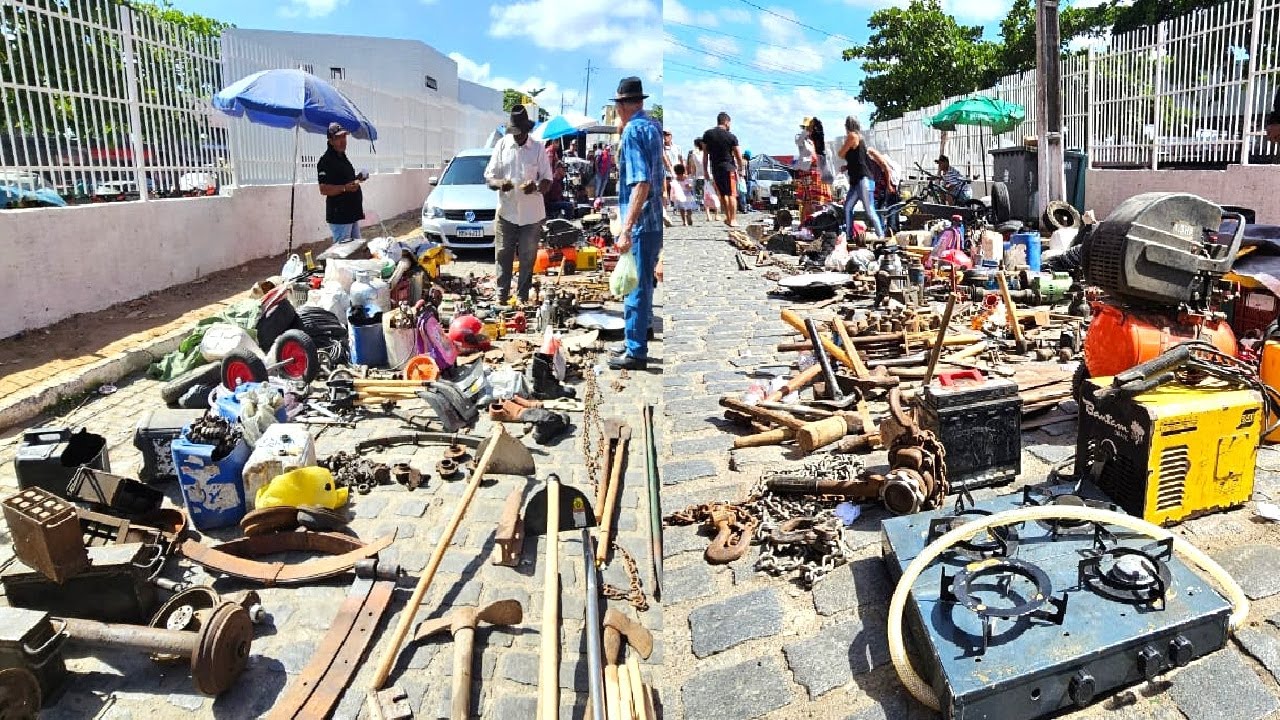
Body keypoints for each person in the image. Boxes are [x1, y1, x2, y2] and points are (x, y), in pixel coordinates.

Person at [610, 76, 663, 371]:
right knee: (643, 282)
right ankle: (639, 333)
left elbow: (640, 183)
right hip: (654, 218)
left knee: (635, 286)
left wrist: (627, 228)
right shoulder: (652, 126)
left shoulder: (633, 131)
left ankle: (636, 351)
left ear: (623, 105)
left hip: (642, 221)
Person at [484, 105, 552, 306]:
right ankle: (501, 295)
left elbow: (548, 179)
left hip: (531, 215)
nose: (515, 136)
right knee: (503, 253)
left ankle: (522, 296)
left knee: (527, 256)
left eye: (518, 133)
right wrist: (499, 184)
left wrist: (537, 186)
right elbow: (489, 177)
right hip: (506, 211)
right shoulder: (502, 145)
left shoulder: (538, 148)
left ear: (526, 131)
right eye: (512, 132)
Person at [316, 122, 366, 243]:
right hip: (340, 217)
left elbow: (344, 179)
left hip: (351, 213)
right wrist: (345, 188)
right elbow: (323, 189)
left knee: (356, 251)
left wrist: (357, 177)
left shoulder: (342, 158)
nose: (342, 141)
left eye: (344, 137)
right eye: (338, 138)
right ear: (330, 141)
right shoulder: (325, 161)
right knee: (342, 255)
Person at [838, 116, 884, 238]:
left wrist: (844, 150)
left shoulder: (852, 136)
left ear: (847, 126)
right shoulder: (860, 139)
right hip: (856, 180)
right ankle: (848, 236)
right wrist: (847, 167)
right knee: (847, 207)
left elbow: (840, 154)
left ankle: (881, 237)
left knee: (869, 211)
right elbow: (859, 160)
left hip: (863, 180)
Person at [702, 112, 744, 228]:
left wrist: (705, 170)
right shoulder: (731, 136)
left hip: (715, 168)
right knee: (732, 194)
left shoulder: (707, 135)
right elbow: (738, 154)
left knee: (723, 194)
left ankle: (728, 217)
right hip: (729, 168)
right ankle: (733, 219)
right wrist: (741, 168)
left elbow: (705, 155)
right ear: (726, 122)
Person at [794, 118, 832, 223]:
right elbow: (799, 141)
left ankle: (813, 223)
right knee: (809, 200)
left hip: (817, 172)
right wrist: (807, 129)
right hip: (808, 172)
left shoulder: (816, 139)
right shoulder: (802, 138)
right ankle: (806, 224)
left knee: (817, 199)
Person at [542, 140, 573, 219]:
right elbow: (548, 167)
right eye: (557, 142)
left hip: (552, 199)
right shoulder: (550, 152)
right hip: (549, 203)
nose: (558, 145)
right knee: (568, 205)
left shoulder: (554, 153)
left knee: (568, 202)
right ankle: (565, 223)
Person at [687, 139, 706, 211]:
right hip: (708, 175)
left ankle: (700, 205)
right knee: (706, 191)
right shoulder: (707, 152)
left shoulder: (694, 153)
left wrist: (692, 175)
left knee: (699, 191)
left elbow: (693, 166)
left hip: (698, 176)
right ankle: (707, 205)